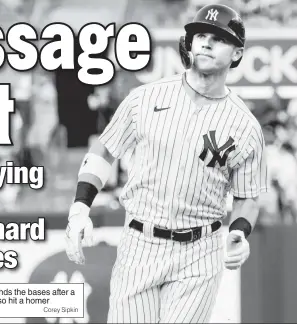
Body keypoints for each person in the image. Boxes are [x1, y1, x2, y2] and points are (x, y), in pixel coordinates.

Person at [65, 4, 269, 323]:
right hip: (140, 242)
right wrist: (80, 208)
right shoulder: (144, 99)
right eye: (200, 34)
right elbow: (104, 152)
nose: (206, 42)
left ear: (237, 53)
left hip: (199, 250)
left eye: (218, 38)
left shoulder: (245, 126)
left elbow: (248, 197)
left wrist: (241, 231)